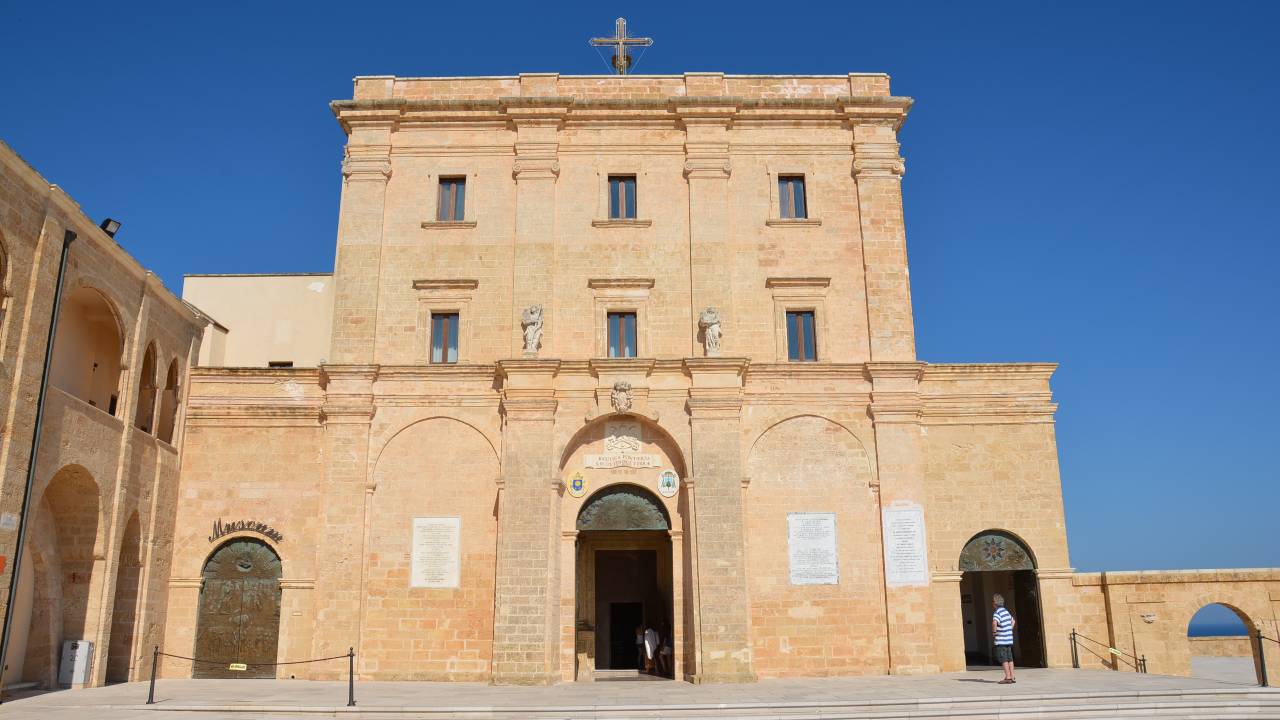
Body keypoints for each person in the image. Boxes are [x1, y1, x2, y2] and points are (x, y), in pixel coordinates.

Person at [992, 594, 1017, 683]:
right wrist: (1009, 629)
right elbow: (1013, 621)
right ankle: (1013, 676)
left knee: (1004, 659)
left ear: (995, 603)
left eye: (993, 601)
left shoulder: (997, 612)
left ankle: (1008, 677)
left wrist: (994, 632)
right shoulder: (1006, 611)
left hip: (1001, 640)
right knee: (1010, 658)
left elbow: (995, 623)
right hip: (1009, 640)